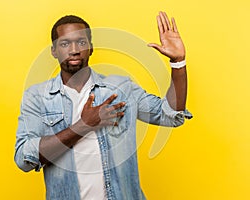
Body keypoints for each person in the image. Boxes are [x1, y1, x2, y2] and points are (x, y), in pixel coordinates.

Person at [14, 11, 192, 200]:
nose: (74, 49)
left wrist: (178, 63)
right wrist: (83, 126)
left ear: (90, 47)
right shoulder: (37, 97)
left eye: (81, 42)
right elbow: (24, 158)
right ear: (54, 50)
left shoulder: (121, 88)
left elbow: (170, 115)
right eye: (65, 43)